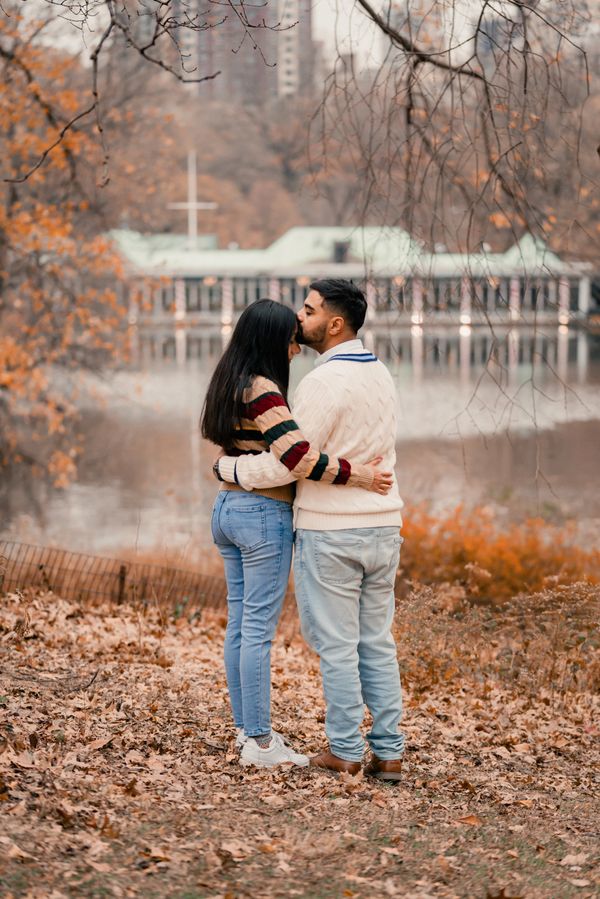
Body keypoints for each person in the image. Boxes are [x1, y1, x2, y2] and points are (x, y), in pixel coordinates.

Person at [216, 280, 405, 781]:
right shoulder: (383, 374)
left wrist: (230, 472)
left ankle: (344, 750)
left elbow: (288, 465)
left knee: (337, 646)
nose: (299, 318)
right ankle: (389, 752)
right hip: (385, 524)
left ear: (335, 323)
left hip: (331, 530)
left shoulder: (319, 384)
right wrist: (364, 474)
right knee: (378, 642)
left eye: (309, 309)